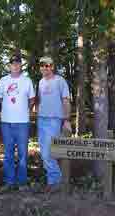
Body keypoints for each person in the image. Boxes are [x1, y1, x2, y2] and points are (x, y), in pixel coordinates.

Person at [0, 54, 35, 191]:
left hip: (22, 122)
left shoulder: (27, 81)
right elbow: (0, 98)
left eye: (18, 63)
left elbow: (32, 99)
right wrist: (10, 109)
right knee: (8, 153)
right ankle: (9, 182)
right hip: (6, 122)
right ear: (9, 65)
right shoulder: (3, 80)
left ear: (21, 65)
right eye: (13, 63)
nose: (15, 65)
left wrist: (23, 110)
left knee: (23, 154)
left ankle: (22, 183)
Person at [37, 56, 72, 193]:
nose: (45, 68)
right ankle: (52, 181)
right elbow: (40, 100)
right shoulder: (40, 82)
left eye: (48, 65)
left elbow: (65, 101)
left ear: (52, 66)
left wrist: (67, 119)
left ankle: (56, 181)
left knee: (48, 153)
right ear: (40, 67)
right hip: (41, 119)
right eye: (43, 65)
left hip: (54, 120)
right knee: (43, 152)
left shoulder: (60, 81)